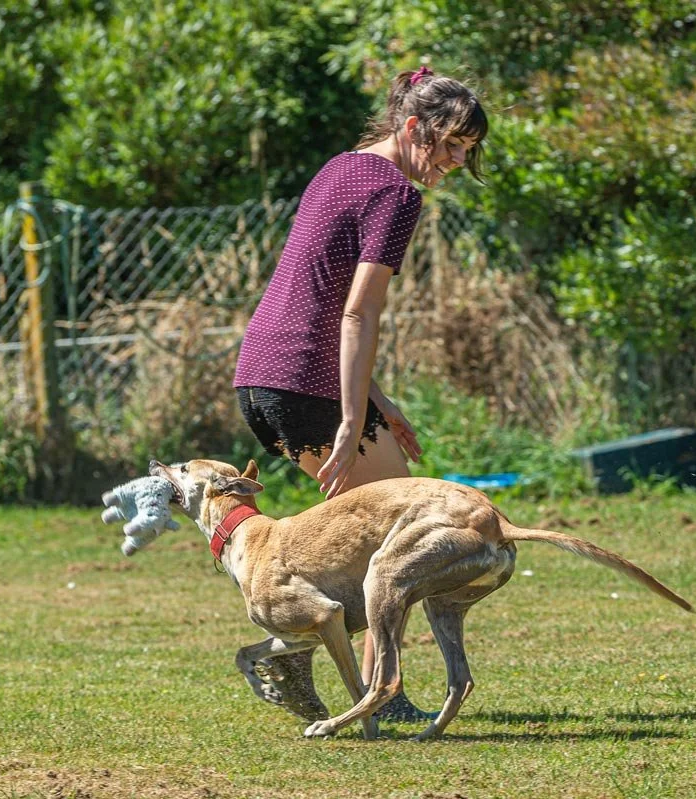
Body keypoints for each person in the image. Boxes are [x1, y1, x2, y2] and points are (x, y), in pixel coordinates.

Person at [232, 65, 488, 722]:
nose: (454, 163)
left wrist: (378, 402)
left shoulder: (340, 167)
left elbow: (314, 302)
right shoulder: (397, 196)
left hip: (263, 377)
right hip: (309, 388)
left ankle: (304, 654)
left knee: (376, 538)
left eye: (466, 151)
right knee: (402, 535)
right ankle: (372, 690)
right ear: (411, 128)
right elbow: (355, 313)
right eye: (450, 145)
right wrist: (351, 419)